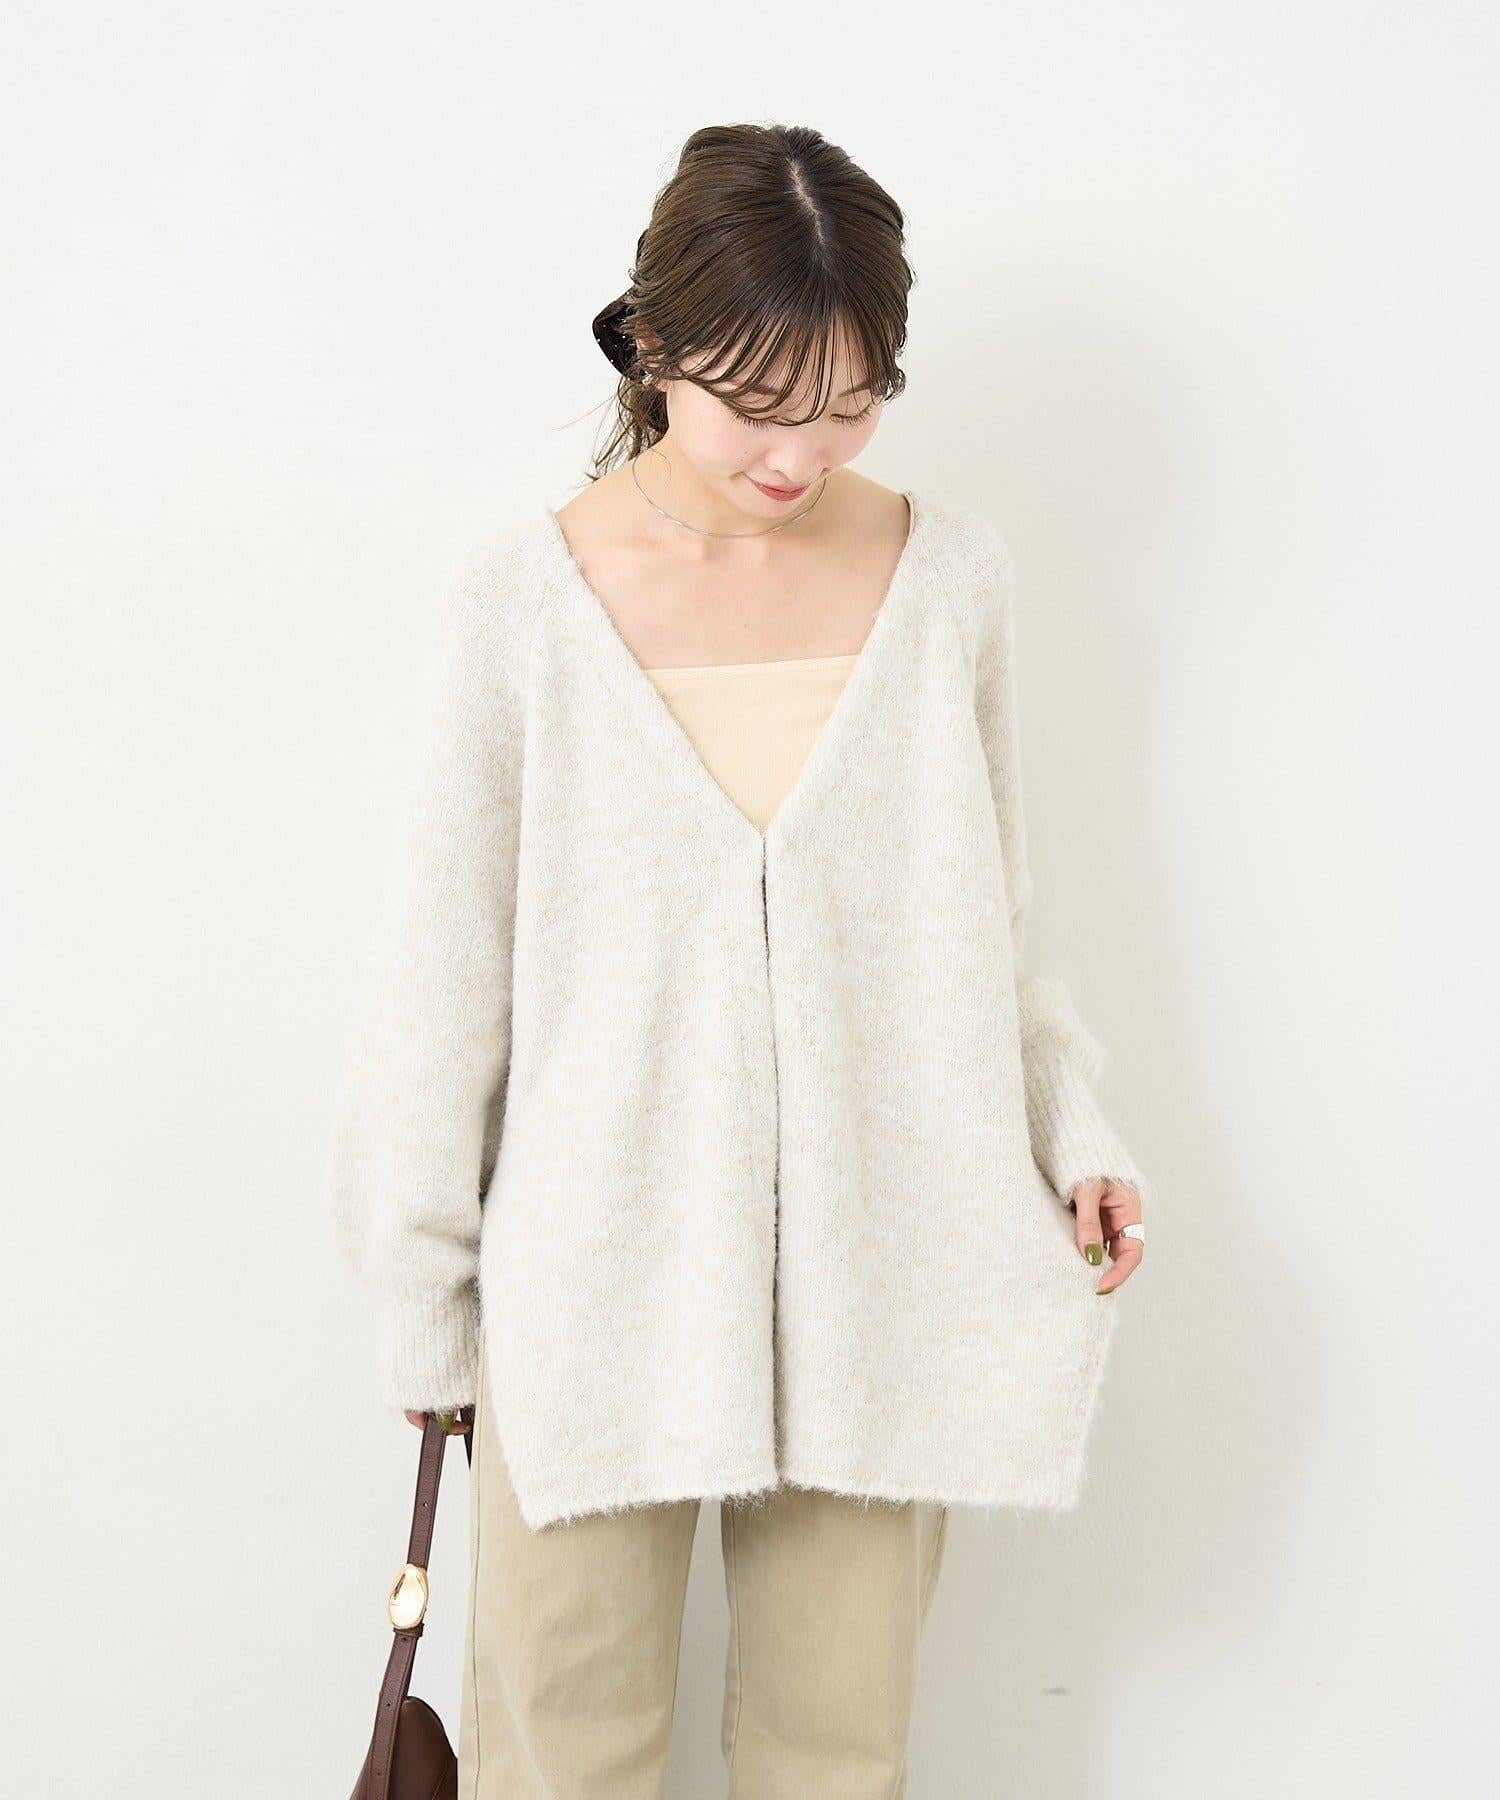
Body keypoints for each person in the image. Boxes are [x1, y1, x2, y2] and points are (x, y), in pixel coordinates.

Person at [329, 120, 1150, 1799]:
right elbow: (440, 986)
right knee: (563, 1757)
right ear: (652, 347)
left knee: (835, 1755)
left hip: (891, 1257)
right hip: (590, 1271)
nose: (800, 456)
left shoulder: (950, 576)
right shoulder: (521, 600)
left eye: (849, 405)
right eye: (758, 404)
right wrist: (426, 1301)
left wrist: (1071, 1130)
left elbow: (995, 916)